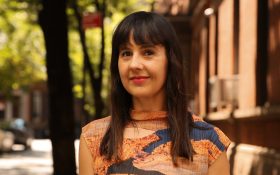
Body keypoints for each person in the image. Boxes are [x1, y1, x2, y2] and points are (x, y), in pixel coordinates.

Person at [79, 11, 231, 175]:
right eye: (126, 53)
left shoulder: (209, 141)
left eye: (148, 52)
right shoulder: (94, 138)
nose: (134, 64)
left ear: (170, 61)